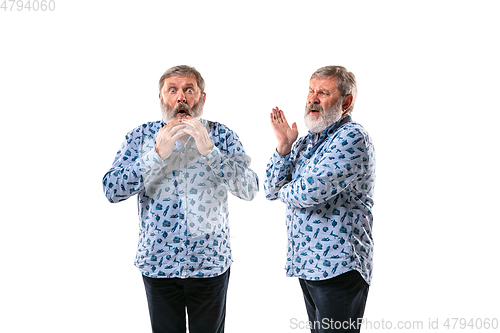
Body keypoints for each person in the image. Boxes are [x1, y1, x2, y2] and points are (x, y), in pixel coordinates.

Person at [103, 65, 259, 333]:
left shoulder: (222, 135)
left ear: (202, 97)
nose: (181, 97)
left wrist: (211, 152)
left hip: (210, 265)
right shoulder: (140, 137)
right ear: (161, 97)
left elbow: (250, 189)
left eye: (189, 90)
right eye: (172, 90)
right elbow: (112, 190)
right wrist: (155, 156)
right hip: (158, 264)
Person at [264, 66, 375, 333]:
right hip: (309, 265)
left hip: (338, 269)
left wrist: (286, 189)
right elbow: (269, 188)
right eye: (311, 91)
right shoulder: (304, 143)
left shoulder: (351, 138)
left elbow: (308, 193)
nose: (313, 99)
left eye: (323, 93)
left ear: (345, 102)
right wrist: (283, 147)